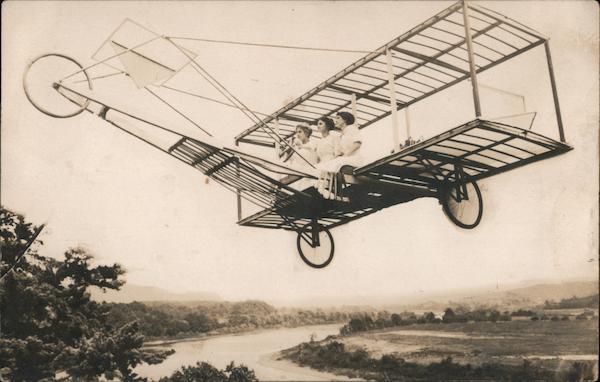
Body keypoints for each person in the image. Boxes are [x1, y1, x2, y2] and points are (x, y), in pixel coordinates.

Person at [317, 111, 362, 199]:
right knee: (328, 164)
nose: (335, 120)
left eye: (338, 118)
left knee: (334, 163)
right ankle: (326, 188)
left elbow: (357, 144)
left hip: (354, 158)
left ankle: (332, 190)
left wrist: (345, 155)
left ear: (344, 120)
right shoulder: (342, 134)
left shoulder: (352, 128)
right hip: (346, 158)